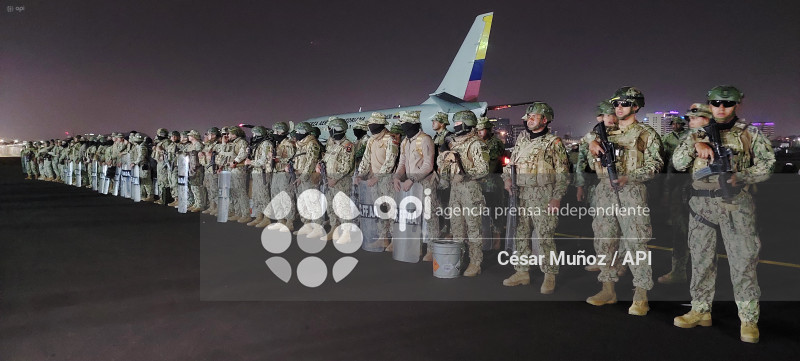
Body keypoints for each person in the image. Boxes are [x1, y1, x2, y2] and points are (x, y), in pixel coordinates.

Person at [671, 86, 774, 343]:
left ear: (737, 104)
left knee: (743, 262)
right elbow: (678, 162)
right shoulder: (696, 133)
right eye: (716, 103)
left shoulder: (750, 133)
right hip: (701, 205)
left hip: (735, 203)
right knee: (701, 260)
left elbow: (768, 165)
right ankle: (700, 310)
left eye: (727, 103)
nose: (721, 107)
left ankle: (748, 320)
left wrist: (742, 176)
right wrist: (698, 145)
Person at [585, 87, 662, 316]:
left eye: (625, 104)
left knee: (636, 244)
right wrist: (594, 150)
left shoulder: (645, 133)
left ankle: (640, 295)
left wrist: (630, 177)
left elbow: (655, 166)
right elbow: (591, 165)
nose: (619, 107)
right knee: (604, 241)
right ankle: (608, 289)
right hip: (605, 192)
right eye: (616, 103)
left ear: (636, 107)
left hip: (632, 193)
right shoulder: (603, 133)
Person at [501, 102, 570, 293]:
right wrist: (507, 179)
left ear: (545, 120)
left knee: (545, 236)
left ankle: (550, 275)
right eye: (528, 117)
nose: (529, 120)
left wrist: (557, 197)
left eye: (534, 116)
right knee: (520, 234)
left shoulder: (553, 143)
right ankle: (522, 272)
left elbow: (563, 173)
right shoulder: (522, 140)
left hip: (543, 195)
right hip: (520, 194)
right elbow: (510, 165)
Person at [437, 110, 489, 276]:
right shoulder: (455, 143)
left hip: (470, 190)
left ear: (467, 124)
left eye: (458, 123)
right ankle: (460, 258)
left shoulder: (476, 144)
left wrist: (465, 175)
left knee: (473, 228)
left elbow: (484, 170)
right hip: (455, 190)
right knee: (457, 227)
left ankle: (475, 262)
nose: (455, 126)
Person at [392, 111, 436, 257]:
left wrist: (412, 179)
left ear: (411, 123)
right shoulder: (405, 142)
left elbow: (428, 165)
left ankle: (431, 249)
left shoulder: (424, 140)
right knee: (413, 217)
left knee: (429, 217)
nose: (402, 126)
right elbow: (402, 163)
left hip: (425, 184)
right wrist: (397, 177)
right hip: (412, 186)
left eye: (404, 123)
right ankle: (414, 246)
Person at [579, 101, 616, 272]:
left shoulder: (617, 134)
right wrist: (580, 186)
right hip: (596, 187)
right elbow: (580, 163)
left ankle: (618, 261)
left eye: (610, 115)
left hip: (616, 184)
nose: (607, 118)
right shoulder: (590, 137)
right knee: (599, 225)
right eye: (604, 115)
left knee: (618, 227)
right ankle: (602, 258)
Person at [355, 112, 399, 250]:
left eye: (373, 124)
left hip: (387, 179)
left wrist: (377, 177)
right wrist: (360, 175)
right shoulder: (371, 140)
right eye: (370, 124)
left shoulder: (390, 139)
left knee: (391, 209)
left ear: (380, 124)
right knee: (380, 210)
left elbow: (390, 161)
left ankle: (395, 240)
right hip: (374, 181)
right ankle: (383, 238)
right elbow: (366, 159)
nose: (370, 126)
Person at [657, 112, 692, 284]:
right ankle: (679, 271)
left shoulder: (689, 136)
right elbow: (663, 154)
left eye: (678, 124)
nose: (675, 126)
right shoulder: (668, 138)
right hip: (677, 174)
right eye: (674, 124)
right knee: (680, 228)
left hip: (694, 179)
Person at [319, 117, 356, 241]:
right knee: (330, 205)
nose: (329, 131)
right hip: (328, 179)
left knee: (342, 206)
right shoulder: (332, 144)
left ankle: (346, 233)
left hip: (341, 182)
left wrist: (335, 179)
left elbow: (347, 166)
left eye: (331, 129)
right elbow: (327, 159)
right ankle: (334, 228)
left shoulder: (347, 145)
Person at [291, 122, 324, 237]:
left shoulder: (312, 144)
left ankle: (318, 228)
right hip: (299, 175)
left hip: (308, 177)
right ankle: (307, 226)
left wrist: (303, 177)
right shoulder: (300, 144)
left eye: (300, 132)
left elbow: (311, 161)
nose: (297, 134)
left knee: (312, 202)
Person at [266, 122, 297, 232]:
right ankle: (280, 220)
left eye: (275, 131)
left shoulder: (288, 144)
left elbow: (293, 159)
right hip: (276, 172)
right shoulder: (277, 144)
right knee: (275, 197)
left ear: (280, 132)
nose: (274, 133)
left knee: (286, 198)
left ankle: (289, 222)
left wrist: (279, 160)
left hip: (284, 174)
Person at [220, 126, 250, 223]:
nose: (228, 135)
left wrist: (235, 161)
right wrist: (224, 143)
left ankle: (245, 214)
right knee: (234, 191)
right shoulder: (233, 143)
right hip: (232, 169)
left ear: (235, 134)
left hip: (238, 169)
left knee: (240, 191)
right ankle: (238, 212)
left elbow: (243, 154)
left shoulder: (242, 142)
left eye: (230, 133)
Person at [245, 126, 273, 226]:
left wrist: (250, 162)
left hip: (263, 173)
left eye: (254, 134)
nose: (253, 136)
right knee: (256, 196)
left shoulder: (266, 144)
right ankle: (259, 216)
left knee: (263, 196)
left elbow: (263, 161)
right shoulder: (258, 144)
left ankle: (266, 218)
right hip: (256, 172)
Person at [200, 127, 222, 214]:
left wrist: (211, 157)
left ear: (213, 135)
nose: (207, 136)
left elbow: (221, 158)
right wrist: (202, 155)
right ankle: (212, 206)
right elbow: (203, 159)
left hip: (214, 170)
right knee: (209, 189)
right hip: (207, 169)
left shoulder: (218, 145)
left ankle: (217, 207)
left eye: (208, 134)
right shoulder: (208, 145)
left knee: (215, 189)